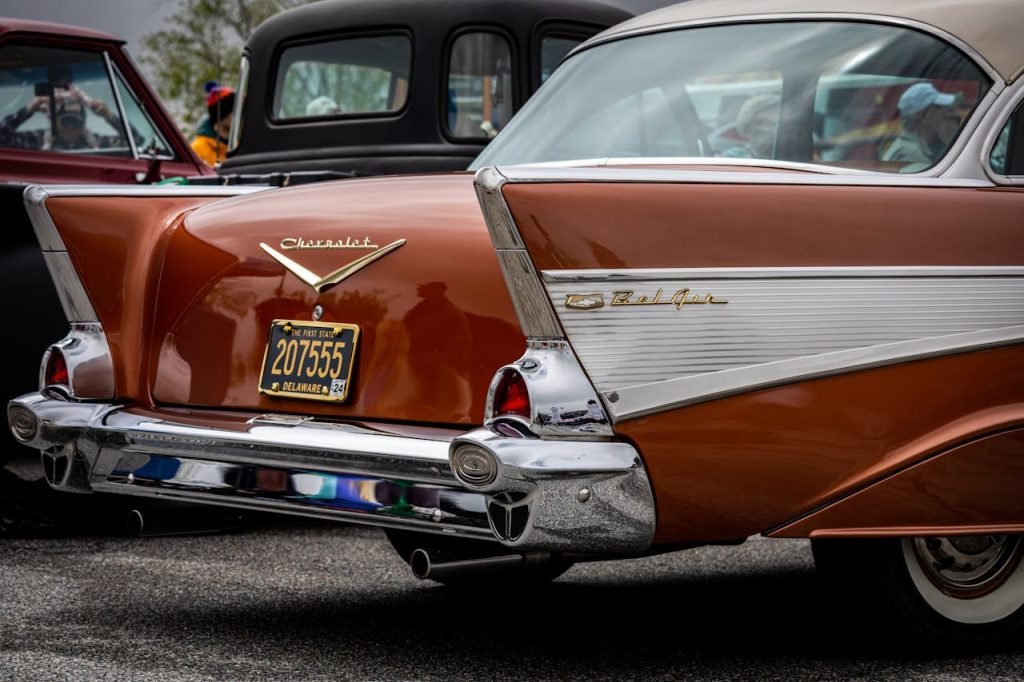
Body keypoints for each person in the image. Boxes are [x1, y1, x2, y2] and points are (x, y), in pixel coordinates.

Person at [0, 85, 123, 151]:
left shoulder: (96, 142)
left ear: (83, 124)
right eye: (66, 121)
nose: (70, 127)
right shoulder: (38, 139)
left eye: (75, 122)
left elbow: (137, 141)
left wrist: (109, 116)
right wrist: (28, 110)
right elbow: (2, 138)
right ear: (55, 121)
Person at [882, 82, 962, 165]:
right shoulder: (908, 155)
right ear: (924, 116)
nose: (954, 115)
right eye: (941, 108)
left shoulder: (920, 148)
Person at [191, 80, 235, 166]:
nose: (237, 117)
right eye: (233, 112)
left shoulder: (238, 144)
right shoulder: (198, 149)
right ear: (221, 115)